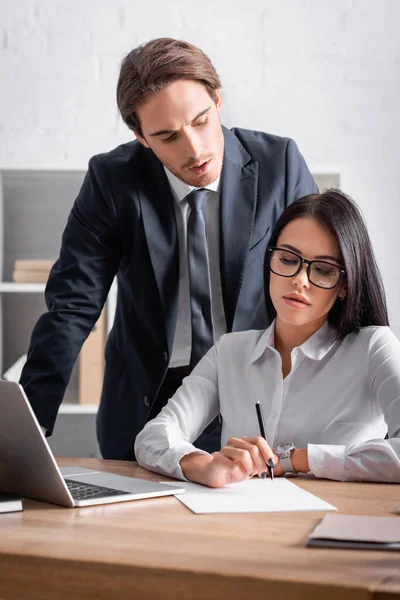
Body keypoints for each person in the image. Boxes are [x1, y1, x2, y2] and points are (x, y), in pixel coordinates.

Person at [19, 37, 317, 460]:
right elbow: (72, 305)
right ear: (141, 137)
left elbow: (326, 279)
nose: (194, 150)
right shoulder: (112, 181)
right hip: (146, 405)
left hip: (254, 403)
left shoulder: (279, 164)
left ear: (217, 99)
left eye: (201, 121)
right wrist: (22, 435)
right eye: (168, 136)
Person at [135, 189, 400, 486]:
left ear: (345, 285)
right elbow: (153, 437)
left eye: (323, 269)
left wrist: (296, 459)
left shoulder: (374, 348)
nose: (300, 280)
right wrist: (203, 465)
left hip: (334, 523)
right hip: (246, 524)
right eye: (288, 259)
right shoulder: (230, 352)